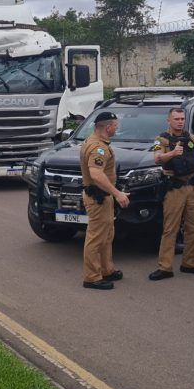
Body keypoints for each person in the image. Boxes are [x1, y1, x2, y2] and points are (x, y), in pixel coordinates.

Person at [149, 108, 194, 281]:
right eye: (176, 119)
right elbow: (157, 158)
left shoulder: (191, 138)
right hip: (174, 188)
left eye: (182, 118)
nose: (180, 121)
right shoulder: (162, 139)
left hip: (193, 187)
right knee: (170, 228)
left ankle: (190, 263)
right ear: (168, 120)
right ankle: (165, 267)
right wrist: (172, 153)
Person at [78, 111, 130, 290]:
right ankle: (92, 277)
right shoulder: (98, 148)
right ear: (108, 127)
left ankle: (107, 269)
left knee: (107, 235)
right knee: (96, 237)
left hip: (103, 197)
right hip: (98, 198)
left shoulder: (95, 143)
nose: (117, 129)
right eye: (116, 126)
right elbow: (96, 174)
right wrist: (118, 193)